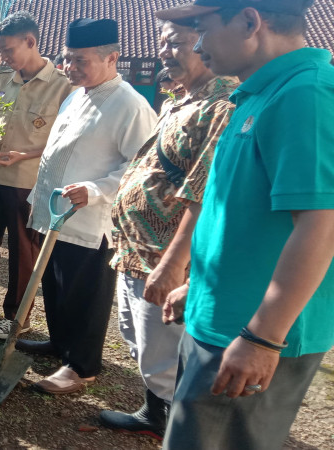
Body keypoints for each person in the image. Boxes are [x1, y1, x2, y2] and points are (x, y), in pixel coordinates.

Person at [153, 1, 334, 448]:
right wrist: (200, 284)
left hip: (250, 330)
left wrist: (264, 338)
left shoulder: (305, 95)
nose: (196, 45)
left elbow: (322, 224)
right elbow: (242, 210)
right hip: (224, 317)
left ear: (250, 21)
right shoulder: (257, 93)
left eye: (202, 29)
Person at [98, 19, 237, 440]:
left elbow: (204, 192)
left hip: (166, 256)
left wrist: (176, 264)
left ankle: (188, 431)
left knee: (166, 353)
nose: (164, 53)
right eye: (162, 43)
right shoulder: (180, 100)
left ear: (206, 44)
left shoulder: (223, 106)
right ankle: (156, 413)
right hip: (137, 249)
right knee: (139, 340)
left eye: (175, 44)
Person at [20, 18, 157, 395]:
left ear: (111, 58)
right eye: (66, 59)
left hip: (93, 218)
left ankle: (81, 365)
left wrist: (97, 189)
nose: (70, 68)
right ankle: (60, 343)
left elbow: (142, 165)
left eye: (80, 60)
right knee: (57, 283)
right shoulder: (75, 94)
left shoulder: (130, 104)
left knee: (86, 291)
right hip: (56, 211)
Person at [0, 11, 74, 339]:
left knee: (22, 250)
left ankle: (18, 317)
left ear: (31, 42)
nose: (0, 59)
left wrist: (26, 154)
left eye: (6, 51)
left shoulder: (62, 87)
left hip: (26, 181)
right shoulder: (2, 79)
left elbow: (66, 142)